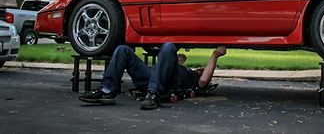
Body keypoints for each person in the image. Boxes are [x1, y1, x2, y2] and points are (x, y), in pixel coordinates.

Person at [78, 43, 227, 110]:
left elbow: (204, 81)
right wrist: (175, 61)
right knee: (123, 49)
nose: (202, 68)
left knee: (169, 46)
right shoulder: (184, 69)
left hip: (166, 85)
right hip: (151, 76)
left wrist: (214, 55)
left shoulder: (193, 78)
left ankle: (153, 94)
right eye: (202, 68)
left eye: (203, 69)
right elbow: (165, 64)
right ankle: (106, 91)